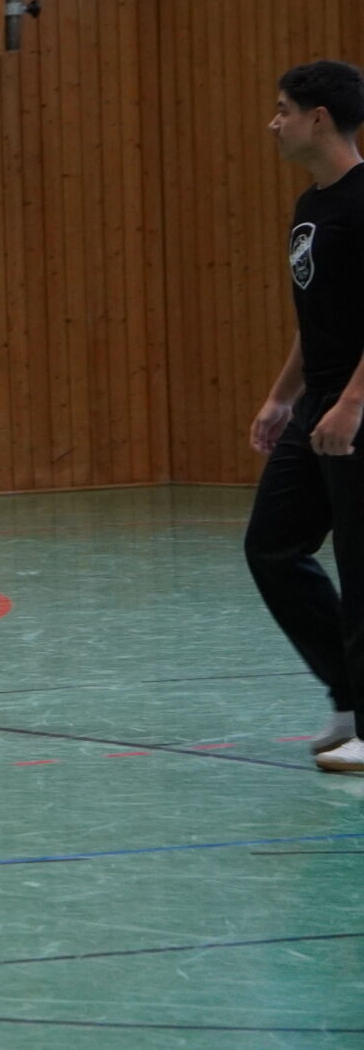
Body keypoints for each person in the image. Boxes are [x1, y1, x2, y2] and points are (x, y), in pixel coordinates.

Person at [243, 60, 364, 773]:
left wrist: (352, 403)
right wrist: (282, 395)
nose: (274, 122)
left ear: (319, 118)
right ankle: (348, 697)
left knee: (359, 563)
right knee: (272, 546)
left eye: (284, 109)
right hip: (318, 403)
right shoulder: (311, 204)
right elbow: (317, 316)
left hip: (355, 407)